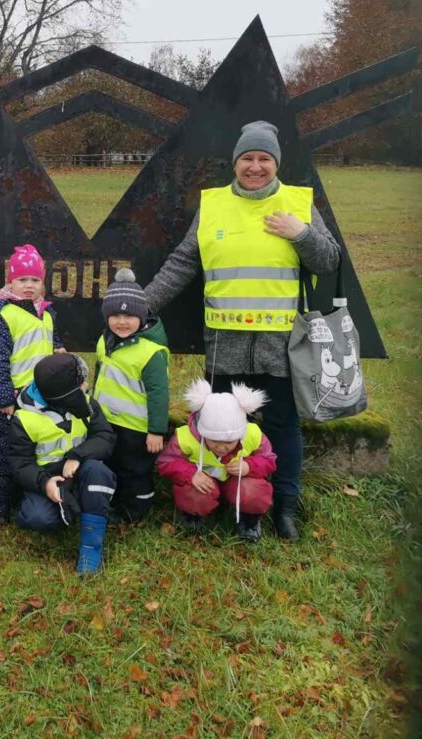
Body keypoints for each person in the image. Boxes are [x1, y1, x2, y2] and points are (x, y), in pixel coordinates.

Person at [144, 121, 340, 539]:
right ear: (235, 163)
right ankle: (209, 499)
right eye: (247, 159)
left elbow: (328, 261)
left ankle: (284, 505)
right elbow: (183, 263)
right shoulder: (213, 205)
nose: (255, 167)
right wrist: (141, 305)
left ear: (276, 163)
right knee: (217, 428)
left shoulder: (298, 203)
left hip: (281, 344)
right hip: (225, 343)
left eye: (264, 159)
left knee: (283, 425)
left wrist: (301, 234)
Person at [7, 353, 117, 574]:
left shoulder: (87, 404)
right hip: (46, 479)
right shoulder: (25, 419)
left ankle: (90, 547)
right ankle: (50, 508)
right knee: (39, 518)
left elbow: (105, 437)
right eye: (80, 383)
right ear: (65, 395)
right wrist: (45, 483)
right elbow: (19, 464)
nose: (86, 386)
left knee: (99, 472)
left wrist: (78, 454)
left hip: (81, 470)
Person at [0, 244, 64, 522]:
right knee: (6, 454)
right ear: (10, 281)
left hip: (41, 399)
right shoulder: (2, 315)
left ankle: (24, 497)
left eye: (35, 280)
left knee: (33, 451)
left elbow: (51, 342)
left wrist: (60, 351)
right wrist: (4, 399)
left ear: (43, 282)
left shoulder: (46, 313)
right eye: (22, 280)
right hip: (13, 400)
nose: (29, 286)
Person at [90, 268, 169, 524]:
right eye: (115, 315)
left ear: (142, 316)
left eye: (129, 315)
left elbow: (159, 394)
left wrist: (157, 430)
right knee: (111, 464)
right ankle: (113, 504)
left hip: (136, 428)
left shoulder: (151, 352)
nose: (122, 322)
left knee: (135, 471)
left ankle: (137, 511)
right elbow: (100, 375)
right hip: (107, 422)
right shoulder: (105, 341)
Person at [157, 379, 276, 542]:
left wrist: (250, 466)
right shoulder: (185, 436)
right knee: (193, 493)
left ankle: (249, 519)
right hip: (203, 482)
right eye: (214, 441)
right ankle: (192, 517)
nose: (221, 448)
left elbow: (269, 460)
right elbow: (166, 462)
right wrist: (190, 474)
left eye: (229, 442)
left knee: (253, 490)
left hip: (238, 481)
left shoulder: (253, 434)